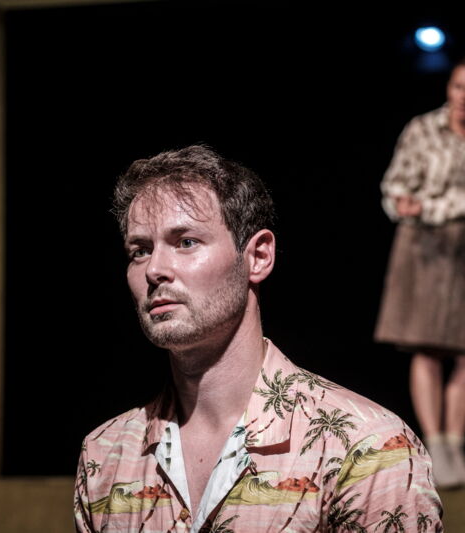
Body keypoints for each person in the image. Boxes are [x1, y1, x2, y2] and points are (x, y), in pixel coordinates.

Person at [74, 145, 443, 532]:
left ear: (259, 256)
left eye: (186, 242)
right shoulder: (105, 457)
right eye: (140, 250)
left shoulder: (368, 448)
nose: (154, 269)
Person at [374, 54, 465, 489]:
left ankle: (456, 448)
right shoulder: (423, 128)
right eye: (458, 86)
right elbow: (394, 187)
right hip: (424, 246)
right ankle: (436, 448)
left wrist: (429, 206)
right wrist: (408, 204)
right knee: (427, 349)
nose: (464, 97)